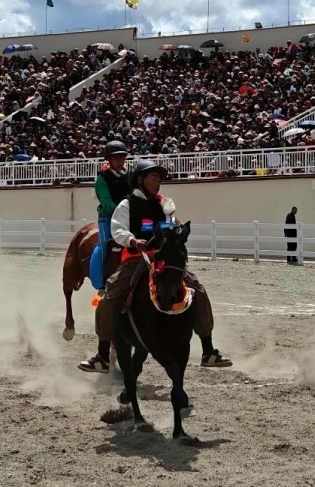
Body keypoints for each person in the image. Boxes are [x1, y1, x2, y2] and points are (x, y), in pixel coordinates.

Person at [95, 159, 233, 368]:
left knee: (199, 291)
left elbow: (172, 224)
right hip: (136, 259)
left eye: (159, 179)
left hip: (166, 260)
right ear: (140, 180)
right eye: (154, 178)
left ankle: (208, 350)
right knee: (109, 295)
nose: (158, 183)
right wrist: (133, 241)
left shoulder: (165, 203)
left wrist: (178, 232)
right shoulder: (126, 204)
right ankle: (103, 355)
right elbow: (118, 230)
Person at [78, 140, 131, 374]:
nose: (119, 160)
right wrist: (122, 209)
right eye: (116, 157)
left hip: (128, 218)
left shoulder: (130, 176)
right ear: (108, 160)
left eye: (122, 157)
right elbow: (106, 201)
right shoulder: (102, 179)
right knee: (104, 246)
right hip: (108, 219)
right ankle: (101, 282)